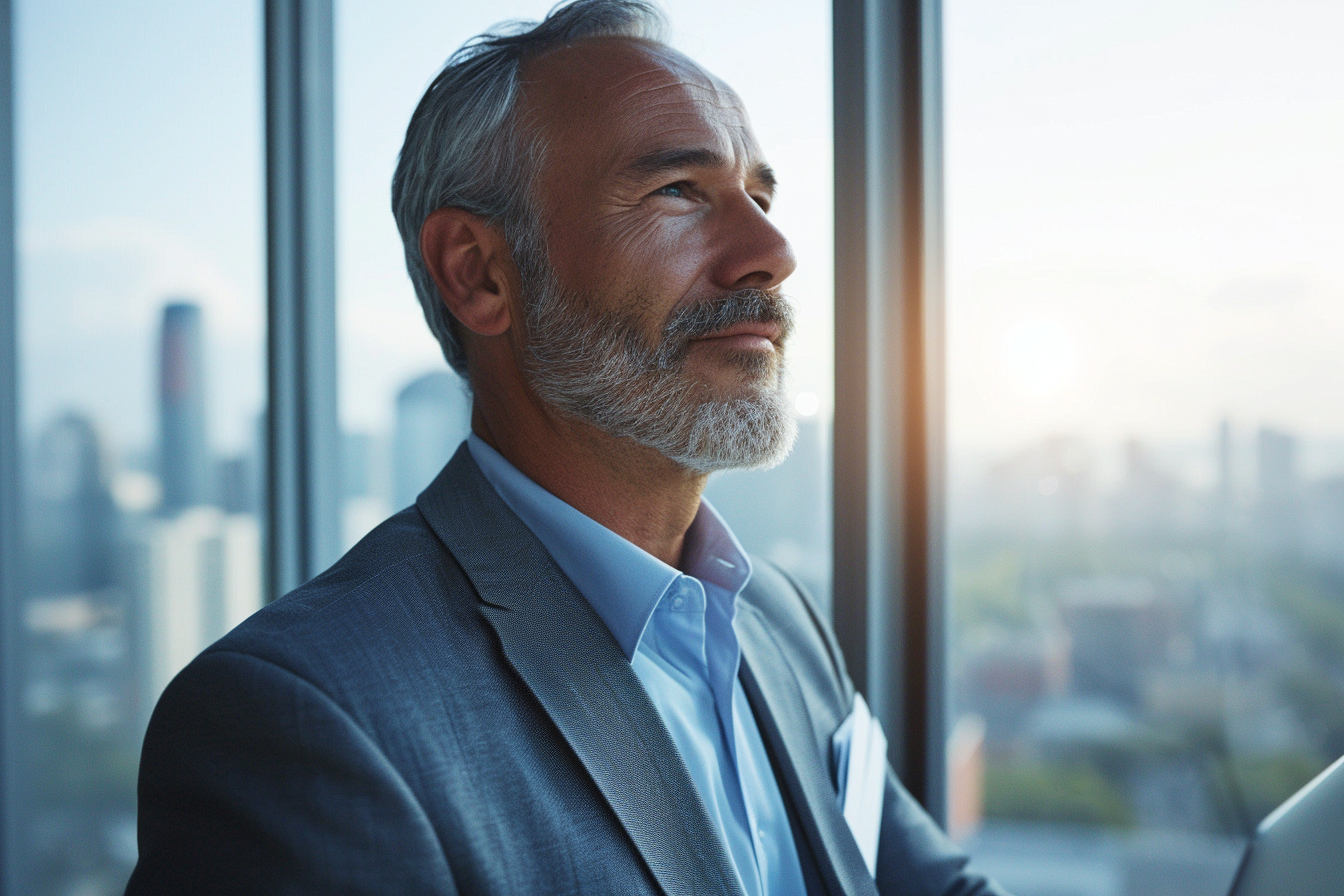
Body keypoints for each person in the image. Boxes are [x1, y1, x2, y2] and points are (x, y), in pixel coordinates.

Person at [126, 2, 1008, 894]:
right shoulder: (302, 722)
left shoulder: (777, 617)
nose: (771, 251)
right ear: (479, 272)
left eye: (760, 198)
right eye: (679, 191)